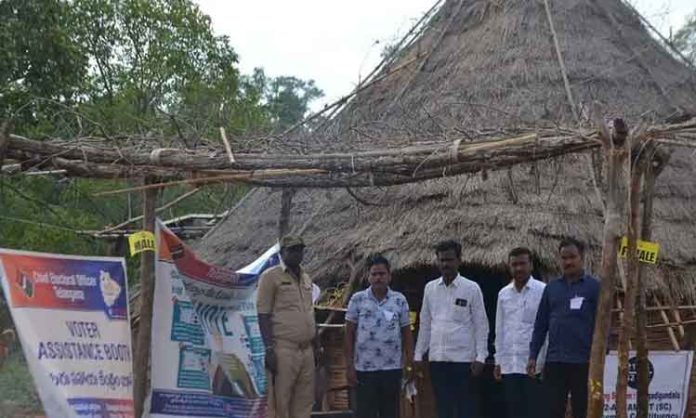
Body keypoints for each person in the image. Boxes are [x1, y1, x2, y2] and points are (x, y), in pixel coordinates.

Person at [414, 240, 489, 418]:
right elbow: (425, 324)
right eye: (441, 260)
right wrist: (418, 355)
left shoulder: (471, 288)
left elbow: (481, 325)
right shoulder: (430, 289)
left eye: (449, 260)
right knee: (443, 409)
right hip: (438, 360)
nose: (445, 264)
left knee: (466, 410)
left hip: (464, 361)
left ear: (459, 260)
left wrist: (481, 357)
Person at [528, 238, 600, 418]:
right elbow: (541, 324)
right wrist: (533, 355)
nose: (568, 262)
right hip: (555, 361)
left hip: (583, 362)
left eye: (572, 257)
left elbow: (603, 323)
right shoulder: (552, 288)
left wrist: (600, 353)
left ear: (581, 257)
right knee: (553, 410)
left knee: (582, 410)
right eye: (564, 258)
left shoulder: (594, 287)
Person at [345, 255, 414, 418]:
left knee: (390, 413)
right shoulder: (357, 299)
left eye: (382, 274)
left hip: (392, 369)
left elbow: (407, 333)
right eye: (374, 274)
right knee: (364, 413)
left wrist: (409, 363)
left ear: (389, 276)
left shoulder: (399, 300)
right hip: (364, 370)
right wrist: (349, 367)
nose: (378, 278)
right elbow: (348, 334)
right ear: (368, 276)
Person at [257, 235, 318, 418]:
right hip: (283, 348)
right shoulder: (270, 277)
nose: (296, 253)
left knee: (304, 402)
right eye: (291, 250)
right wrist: (269, 349)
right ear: (282, 252)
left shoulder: (306, 278)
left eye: (299, 249)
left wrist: (317, 345)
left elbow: (309, 312)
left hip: (306, 349)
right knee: (280, 402)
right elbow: (263, 315)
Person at [494, 247, 546, 418]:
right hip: (510, 365)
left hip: (534, 366)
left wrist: (544, 362)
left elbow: (547, 330)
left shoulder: (543, 290)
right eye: (514, 264)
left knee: (536, 411)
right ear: (509, 266)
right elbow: (500, 330)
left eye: (522, 263)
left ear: (531, 265)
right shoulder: (503, 294)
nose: (518, 268)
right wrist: (498, 361)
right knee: (514, 411)